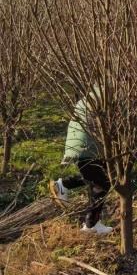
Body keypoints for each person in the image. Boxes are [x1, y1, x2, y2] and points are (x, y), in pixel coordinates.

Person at [49, 89, 113, 235]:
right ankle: (91, 225)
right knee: (102, 183)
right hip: (89, 146)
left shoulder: (88, 97)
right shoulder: (107, 97)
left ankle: (64, 185)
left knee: (97, 177)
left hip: (78, 145)